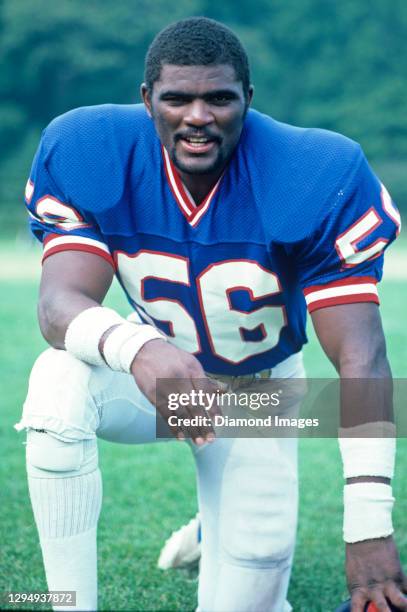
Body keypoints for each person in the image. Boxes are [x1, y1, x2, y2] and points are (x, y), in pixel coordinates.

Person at [16, 16, 406, 612]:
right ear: (147, 100)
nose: (198, 116)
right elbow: (58, 306)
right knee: (56, 384)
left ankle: (219, 522)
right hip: (152, 380)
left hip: (259, 397)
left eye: (219, 98)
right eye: (177, 98)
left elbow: (362, 356)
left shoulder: (313, 173)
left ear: (247, 99)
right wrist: (139, 347)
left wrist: (369, 527)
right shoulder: (91, 148)